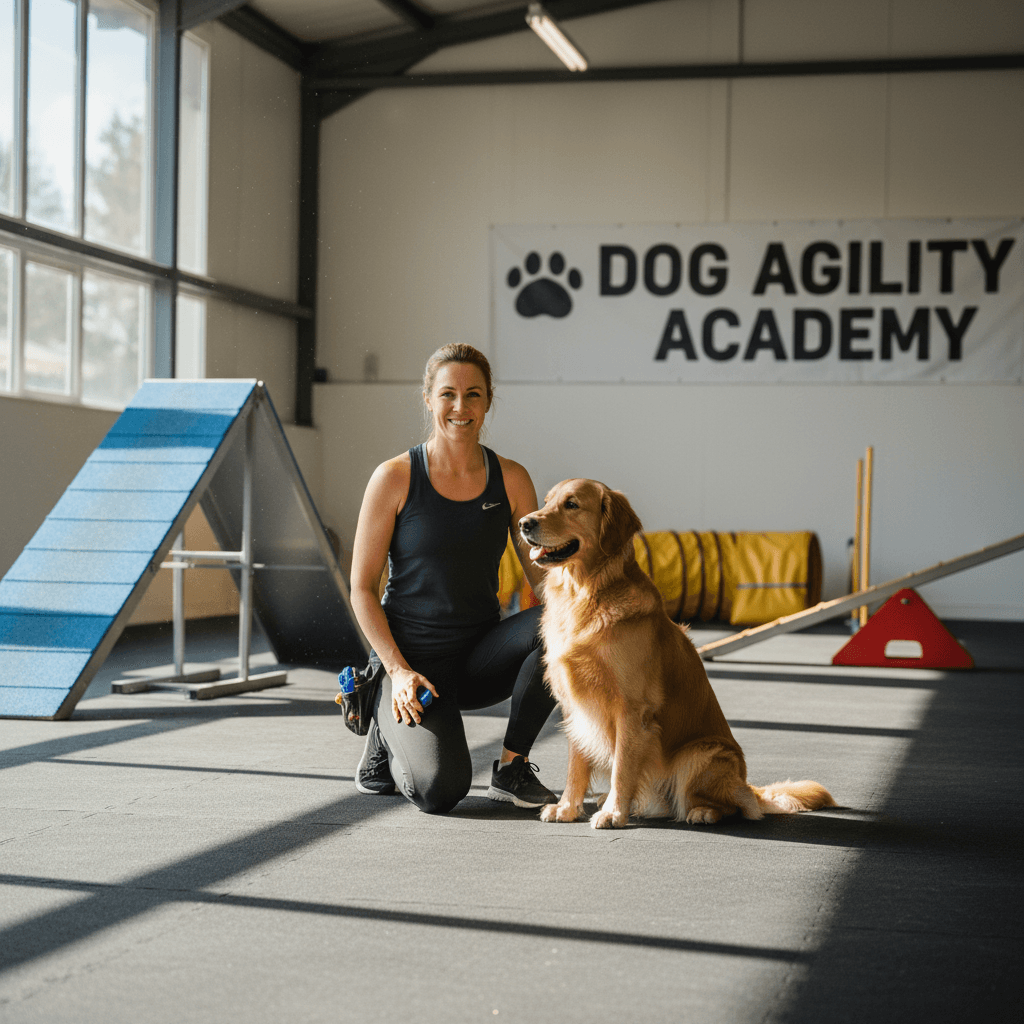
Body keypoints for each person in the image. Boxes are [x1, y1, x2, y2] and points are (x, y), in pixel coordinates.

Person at [347, 343, 558, 814]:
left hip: (480, 657)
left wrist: (589, 621)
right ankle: (384, 735)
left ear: (487, 401)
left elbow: (544, 579)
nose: (460, 407)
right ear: (428, 399)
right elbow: (361, 588)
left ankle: (511, 769)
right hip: (412, 664)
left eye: (473, 395)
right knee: (441, 790)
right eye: (448, 394)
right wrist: (397, 670)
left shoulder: (512, 479)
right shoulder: (394, 477)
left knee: (563, 622)